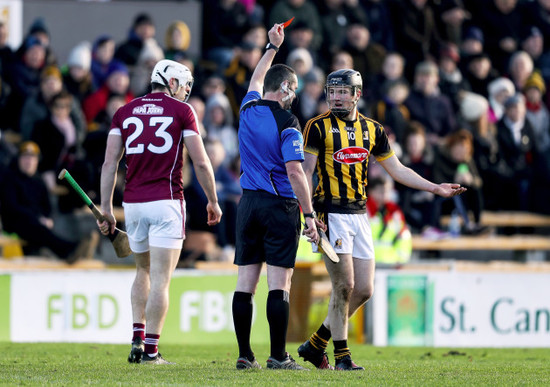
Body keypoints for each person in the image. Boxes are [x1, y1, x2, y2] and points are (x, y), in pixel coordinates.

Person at [300, 68, 466, 370]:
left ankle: (315, 344)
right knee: (344, 286)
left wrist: (435, 187)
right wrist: (309, 215)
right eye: (332, 92)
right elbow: (305, 173)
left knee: (364, 289)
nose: (336, 98)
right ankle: (342, 358)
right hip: (330, 214)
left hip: (359, 215)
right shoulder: (316, 127)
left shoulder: (373, 130)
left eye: (342, 92)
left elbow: (398, 170)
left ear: (357, 95)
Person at [97, 59, 222, 365]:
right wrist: (213, 200)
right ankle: (151, 352)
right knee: (161, 280)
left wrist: (105, 209)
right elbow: (202, 162)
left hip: (134, 204)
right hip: (166, 202)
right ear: (172, 83)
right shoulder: (183, 111)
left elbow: (109, 164)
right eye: (185, 86)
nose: (186, 92)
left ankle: (137, 340)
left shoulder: (124, 111)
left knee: (142, 271)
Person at [231, 23, 319, 371]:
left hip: (248, 204)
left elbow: (255, 80)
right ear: (284, 88)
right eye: (293, 88)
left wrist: (271, 47)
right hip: (279, 206)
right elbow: (296, 172)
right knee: (279, 283)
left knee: (245, 282)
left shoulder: (247, 108)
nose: (294, 94)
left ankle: (243, 354)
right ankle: (278, 356)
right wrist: (309, 214)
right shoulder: (288, 121)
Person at [0, 141, 97, 263]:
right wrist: (37, 218)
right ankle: (69, 251)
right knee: (37, 228)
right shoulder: (10, 179)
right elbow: (12, 208)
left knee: (40, 229)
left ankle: (71, 250)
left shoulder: (39, 182)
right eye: (25, 157)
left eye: (32, 158)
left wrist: (45, 218)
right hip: (16, 224)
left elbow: (47, 207)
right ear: (19, 159)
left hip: (36, 225)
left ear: (37, 161)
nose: (28, 161)